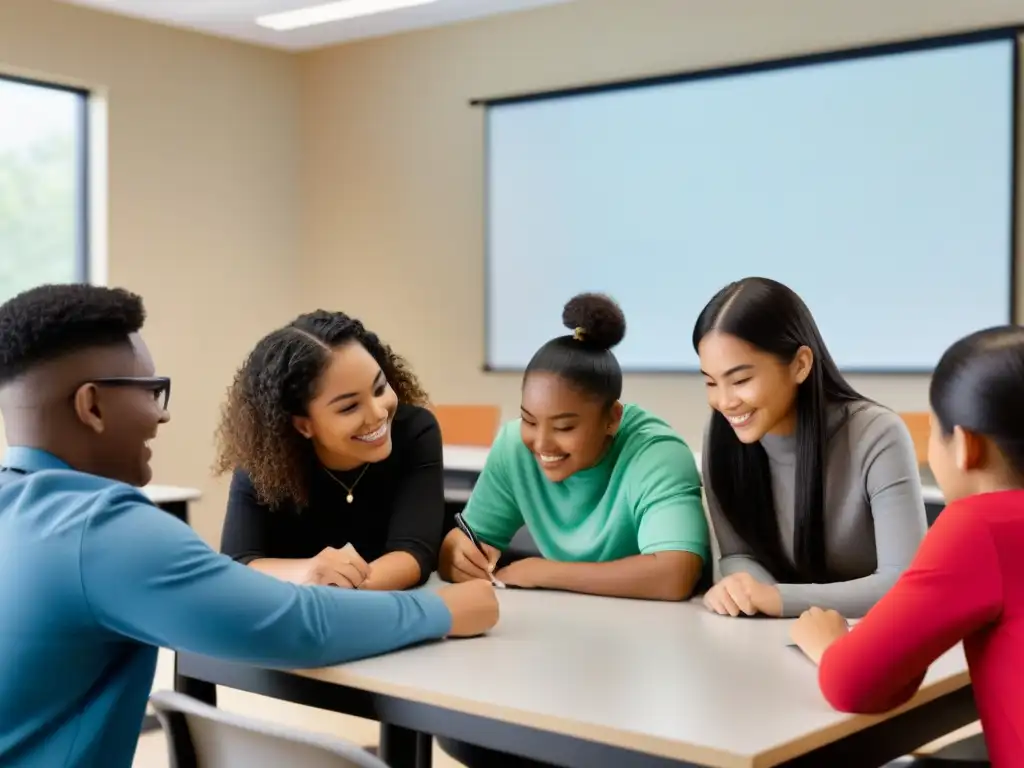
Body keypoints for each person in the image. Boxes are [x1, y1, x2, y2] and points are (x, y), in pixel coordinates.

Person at [0, 284, 498, 768]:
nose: (161, 414)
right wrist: (439, 611)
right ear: (92, 406)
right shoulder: (108, 532)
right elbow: (298, 626)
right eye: (152, 391)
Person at [791, 325, 1024, 767]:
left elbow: (856, 684)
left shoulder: (979, 527)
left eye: (935, 433)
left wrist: (829, 643)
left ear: (965, 448)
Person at [438, 292, 709, 601]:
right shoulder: (515, 446)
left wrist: (546, 572)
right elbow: (464, 543)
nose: (541, 443)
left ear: (612, 418)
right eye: (529, 420)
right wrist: (456, 556)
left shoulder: (657, 454)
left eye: (564, 427)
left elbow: (675, 575)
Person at [694, 277, 926, 619]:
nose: (725, 402)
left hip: (872, 640)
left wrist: (776, 599)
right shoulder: (721, 435)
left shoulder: (877, 434)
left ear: (800, 364)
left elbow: (903, 582)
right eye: (711, 382)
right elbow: (738, 556)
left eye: (741, 380)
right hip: (774, 642)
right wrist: (748, 594)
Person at [216, 310, 445, 591]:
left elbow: (413, 555)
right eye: (349, 407)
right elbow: (237, 563)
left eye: (379, 388)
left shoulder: (413, 431)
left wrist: (336, 592)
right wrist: (311, 571)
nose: (377, 413)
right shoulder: (265, 461)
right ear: (303, 426)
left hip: (372, 614)